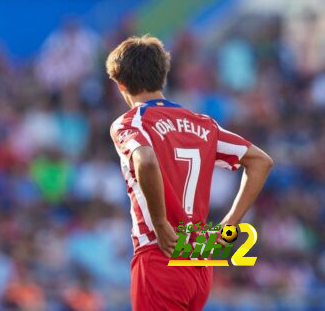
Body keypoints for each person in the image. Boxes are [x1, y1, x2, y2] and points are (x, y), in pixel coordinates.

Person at [105, 35, 274, 310]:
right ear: (163, 76)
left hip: (161, 252)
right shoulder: (203, 125)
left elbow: (145, 159)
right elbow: (261, 162)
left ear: (121, 84)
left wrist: (160, 222)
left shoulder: (130, 123)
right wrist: (229, 224)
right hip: (200, 255)